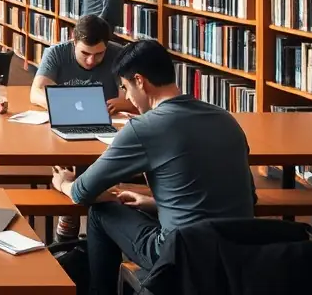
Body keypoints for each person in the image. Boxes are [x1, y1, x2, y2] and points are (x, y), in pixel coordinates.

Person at [50, 40, 255, 295]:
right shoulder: (226, 119)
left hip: (181, 256)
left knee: (100, 211)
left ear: (140, 81)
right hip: (238, 249)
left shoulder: (145, 127)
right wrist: (154, 202)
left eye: (125, 88)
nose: (127, 97)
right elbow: (246, 195)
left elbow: (82, 192)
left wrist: (63, 182)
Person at [31, 14, 134, 242]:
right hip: (68, 124)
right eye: (85, 53)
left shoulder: (119, 54)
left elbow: (141, 92)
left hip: (106, 126)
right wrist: (66, 103)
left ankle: (84, 219)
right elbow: (36, 92)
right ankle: (71, 220)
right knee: (66, 156)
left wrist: (124, 102)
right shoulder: (56, 53)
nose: (91, 61)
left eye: (99, 54)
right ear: (73, 40)